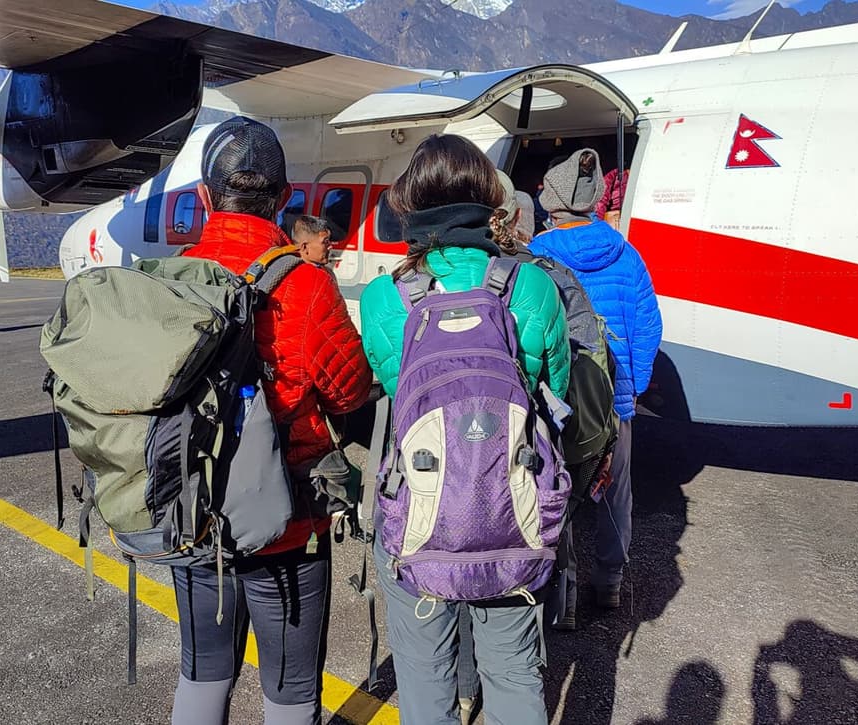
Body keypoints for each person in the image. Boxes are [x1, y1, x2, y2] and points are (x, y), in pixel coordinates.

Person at [359, 134, 570, 725]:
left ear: (410, 202)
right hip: (511, 508)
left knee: (424, 681)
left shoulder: (385, 298)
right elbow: (559, 387)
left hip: (421, 513)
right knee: (513, 673)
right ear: (487, 197)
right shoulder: (529, 286)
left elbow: (395, 388)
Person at [172, 116, 372, 725]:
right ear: (285, 198)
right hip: (287, 521)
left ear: (206, 197)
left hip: (193, 510)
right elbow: (348, 391)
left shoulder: (172, 276)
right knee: (289, 691)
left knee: (202, 675)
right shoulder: (309, 284)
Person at [528, 148, 663, 611]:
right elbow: (648, 327)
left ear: (553, 203)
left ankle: (554, 591)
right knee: (615, 493)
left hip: (559, 399)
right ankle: (608, 584)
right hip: (616, 398)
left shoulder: (535, 259)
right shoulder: (626, 254)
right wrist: (632, 389)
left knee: (553, 487)